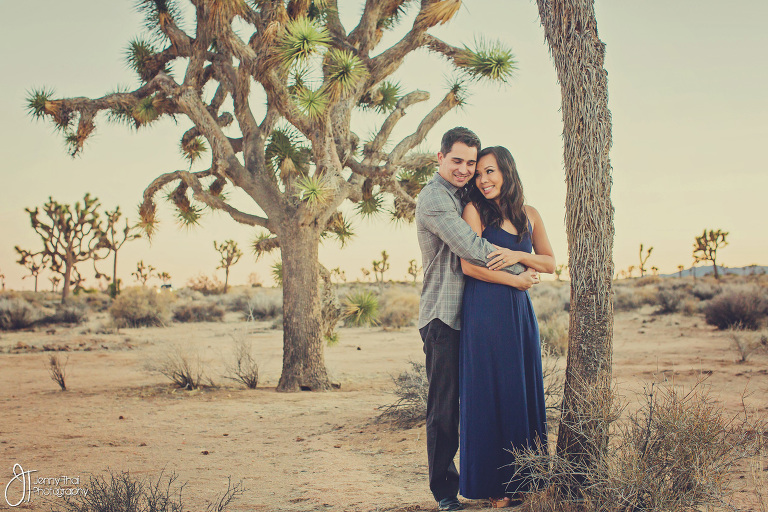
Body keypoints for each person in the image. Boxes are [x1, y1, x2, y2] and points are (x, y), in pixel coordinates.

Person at [416, 128, 538, 511]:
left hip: (471, 315)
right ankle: (445, 494)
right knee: (445, 408)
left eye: (472, 163)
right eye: (458, 161)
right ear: (440, 158)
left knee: (476, 401)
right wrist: (524, 263)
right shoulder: (436, 199)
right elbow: (471, 247)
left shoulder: (466, 194)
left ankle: (498, 479)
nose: (466, 170)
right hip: (443, 315)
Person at [458, 146, 555, 507]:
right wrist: (514, 280)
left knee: (520, 390)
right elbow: (469, 267)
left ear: (506, 172)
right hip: (485, 310)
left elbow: (549, 262)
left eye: (489, 171)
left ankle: (525, 481)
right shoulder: (474, 212)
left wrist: (518, 256)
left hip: (519, 314)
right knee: (489, 394)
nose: (482, 180)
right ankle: (492, 486)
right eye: (479, 173)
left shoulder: (529, 215)